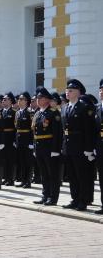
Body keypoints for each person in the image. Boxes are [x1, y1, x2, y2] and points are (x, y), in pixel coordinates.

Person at [61, 79, 94, 211]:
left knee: (82, 175)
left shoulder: (84, 108)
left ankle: (83, 200)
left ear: (78, 93)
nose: (67, 93)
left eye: (71, 91)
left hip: (80, 147)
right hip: (68, 147)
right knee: (72, 176)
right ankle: (75, 198)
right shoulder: (64, 108)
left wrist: (88, 149)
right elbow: (63, 131)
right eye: (67, 91)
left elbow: (88, 130)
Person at [33, 86, 62, 206]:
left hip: (49, 148)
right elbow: (34, 132)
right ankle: (45, 195)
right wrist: (35, 148)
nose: (38, 100)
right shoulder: (38, 113)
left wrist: (55, 149)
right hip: (39, 147)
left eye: (41, 98)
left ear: (47, 99)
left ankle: (53, 197)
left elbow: (57, 133)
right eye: (37, 98)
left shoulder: (53, 113)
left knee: (52, 174)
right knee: (43, 174)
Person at [15, 92, 33, 188]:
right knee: (21, 161)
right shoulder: (18, 112)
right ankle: (23, 180)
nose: (19, 101)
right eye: (19, 99)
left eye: (21, 99)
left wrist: (31, 142)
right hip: (19, 140)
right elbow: (16, 127)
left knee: (28, 162)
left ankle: (28, 181)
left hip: (27, 140)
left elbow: (32, 128)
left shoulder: (30, 112)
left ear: (26, 101)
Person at [1, 92, 16, 186]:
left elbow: (16, 128)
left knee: (10, 160)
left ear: (10, 101)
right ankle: (5, 177)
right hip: (3, 139)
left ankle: (11, 179)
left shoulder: (14, 112)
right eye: (3, 99)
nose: (3, 101)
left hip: (10, 139)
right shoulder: (1, 112)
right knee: (4, 159)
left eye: (5, 99)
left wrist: (15, 140)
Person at [95, 79, 103, 214]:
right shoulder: (96, 108)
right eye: (100, 90)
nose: (101, 92)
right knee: (102, 177)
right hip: (100, 147)